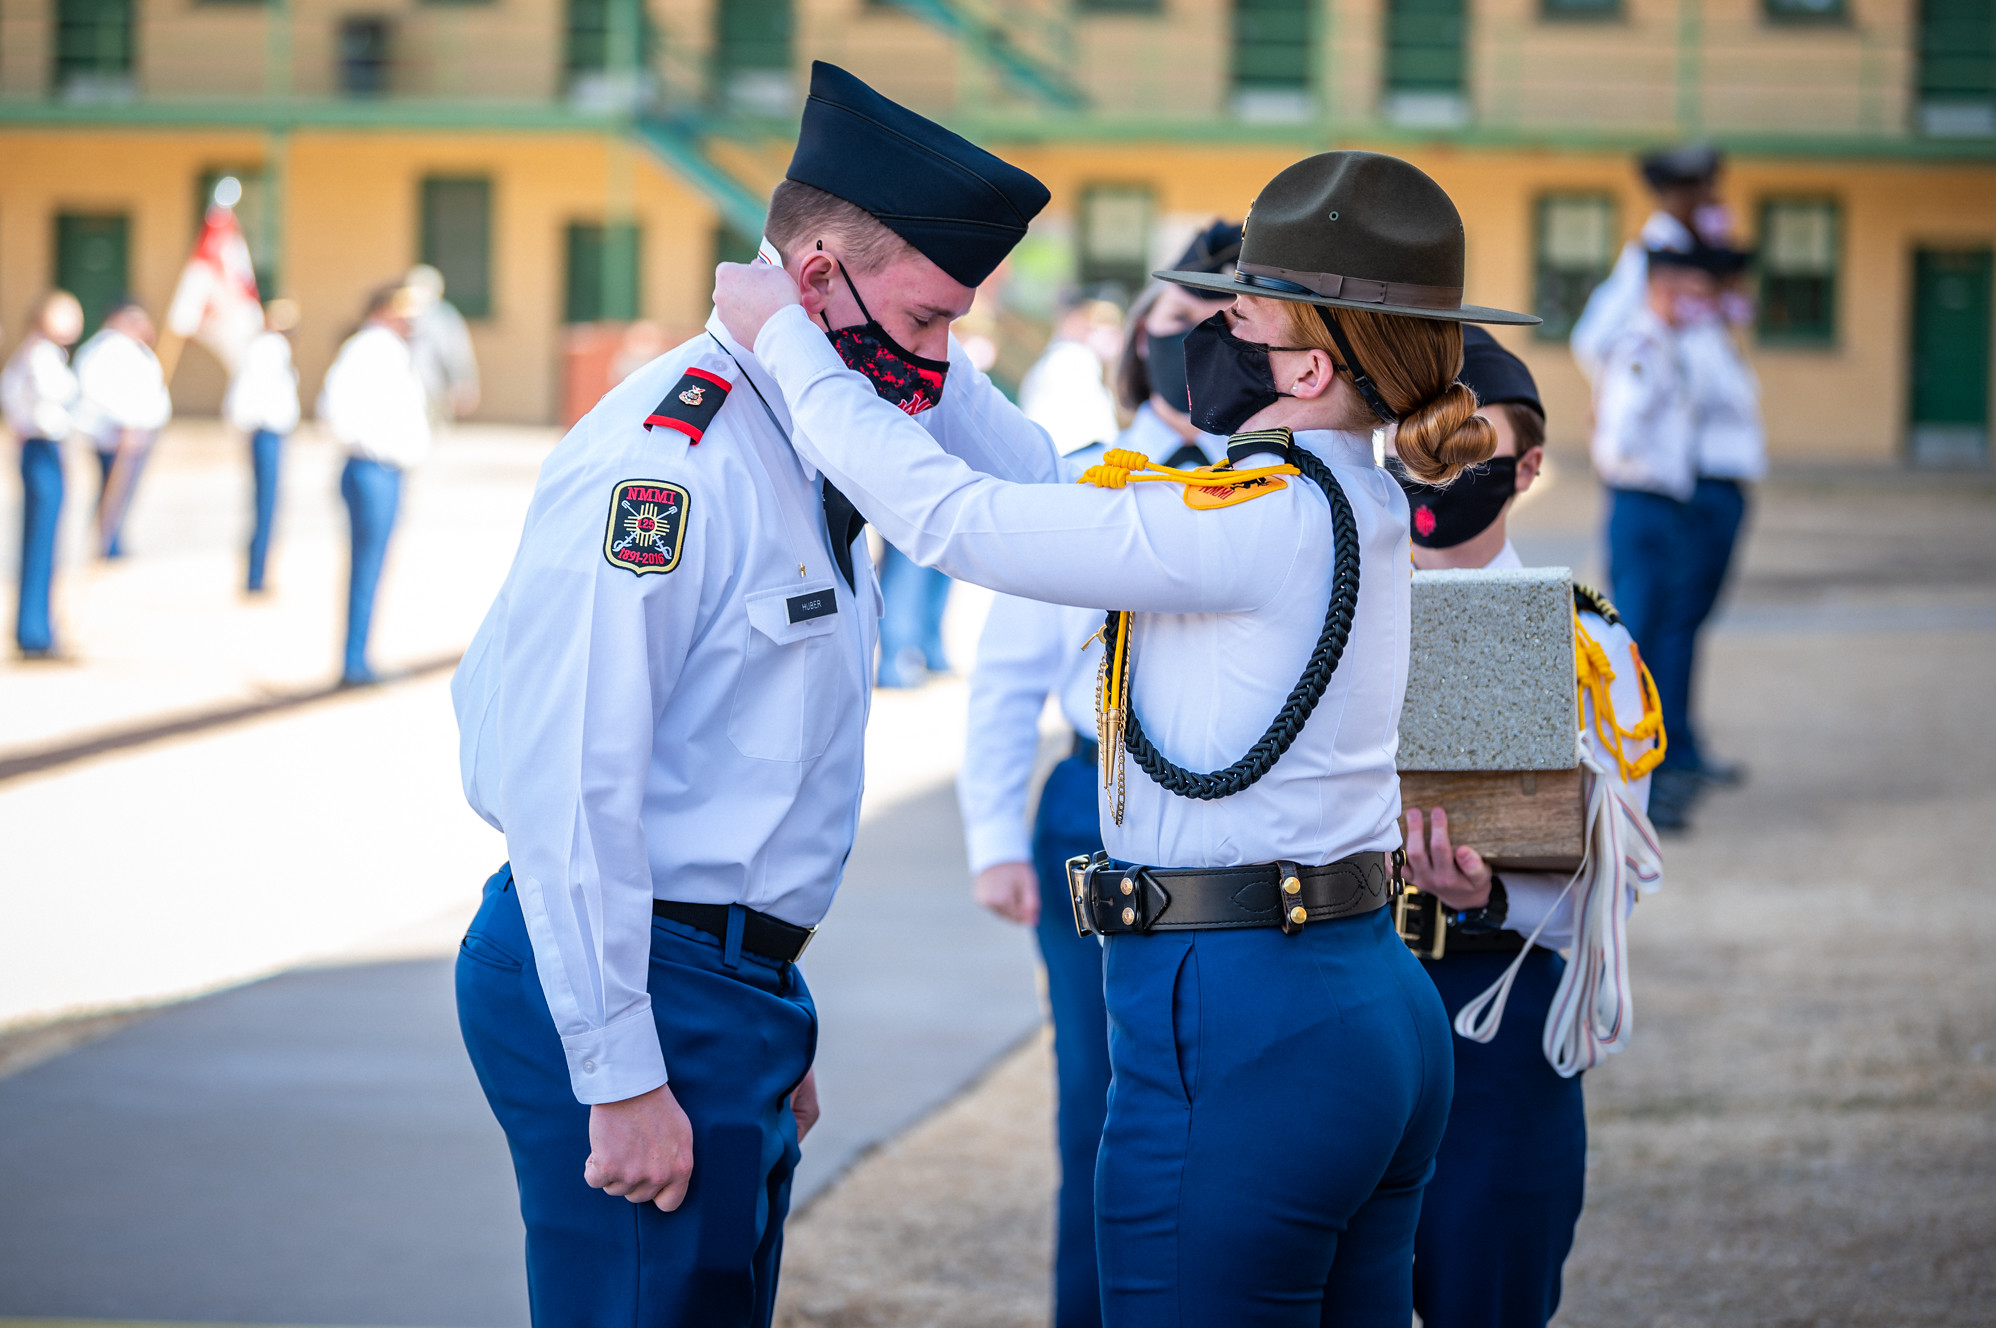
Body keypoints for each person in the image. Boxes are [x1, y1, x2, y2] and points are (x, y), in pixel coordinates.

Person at [719, 148, 1541, 1325]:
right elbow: (1058, 479)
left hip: (1246, 1010)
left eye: (1238, 310)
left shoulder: (1260, 516)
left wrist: (790, 347)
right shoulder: (1320, 492)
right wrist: (913, 346)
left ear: (1306, 362)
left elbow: (960, 522)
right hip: (1352, 991)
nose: (1206, 329)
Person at [450, 62, 1058, 1328]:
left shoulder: (817, 423)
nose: (940, 357)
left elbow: (1041, 490)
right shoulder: (668, 466)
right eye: (929, 318)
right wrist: (620, 1071)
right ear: (818, 277)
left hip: (728, 987)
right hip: (637, 972)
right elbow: (571, 782)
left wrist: (772, 1009)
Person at [954, 221, 1238, 1328]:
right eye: (1174, 323)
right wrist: (989, 837)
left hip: (1239, 828)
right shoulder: (1081, 481)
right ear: (1135, 342)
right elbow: (1005, 675)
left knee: (1233, 1107)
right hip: (1093, 809)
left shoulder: (1291, 496)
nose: (1194, 347)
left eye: (1223, 323)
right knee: (1104, 1100)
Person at [1392, 329, 1659, 1327]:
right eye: (1413, 441)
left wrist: (1491, 891)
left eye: (1468, 441)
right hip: (1335, 988)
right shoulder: (1318, 612)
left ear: (1528, 465)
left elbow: (1617, 879)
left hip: (1491, 1009)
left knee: (1483, 1292)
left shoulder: (1580, 639)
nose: (1435, 466)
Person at [1591, 242, 1755, 828]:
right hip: (1644, 503)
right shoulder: (1642, 345)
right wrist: (1634, 469)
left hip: (1662, 502)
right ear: (1659, 287)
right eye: (1684, 290)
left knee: (1657, 636)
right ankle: (1635, 781)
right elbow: (1621, 428)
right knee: (1637, 644)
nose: (1695, 302)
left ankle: (1652, 774)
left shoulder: (1661, 344)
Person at [318, 283, 430, 686]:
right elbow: (335, 407)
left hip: (384, 470)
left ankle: (360, 656)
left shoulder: (391, 349)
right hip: (372, 469)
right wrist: (370, 449)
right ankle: (354, 661)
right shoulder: (369, 347)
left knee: (375, 565)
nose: (411, 321)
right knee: (366, 566)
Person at [1569, 143, 1729, 382]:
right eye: (1703, 189)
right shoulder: (1654, 252)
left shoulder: (1695, 248)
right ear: (1677, 196)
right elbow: (1591, 339)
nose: (1713, 198)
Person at [3, 290, 84, 658]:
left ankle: (39, 628)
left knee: (48, 543)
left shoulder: (43, 354)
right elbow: (55, 396)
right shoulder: (40, 355)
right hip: (40, 448)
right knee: (40, 542)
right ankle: (34, 632)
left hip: (46, 448)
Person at [72, 296, 171, 559]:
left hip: (138, 434)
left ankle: (113, 540)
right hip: (116, 436)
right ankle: (107, 544)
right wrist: (126, 425)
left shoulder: (137, 348)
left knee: (125, 490)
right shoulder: (108, 348)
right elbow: (99, 393)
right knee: (112, 487)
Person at [224, 297, 301, 594]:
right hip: (266, 431)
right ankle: (256, 576)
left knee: (267, 504)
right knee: (266, 504)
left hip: (268, 432)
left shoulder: (265, 346)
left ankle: (258, 573)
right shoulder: (269, 348)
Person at [406, 263, 481, 423]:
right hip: (407, 384)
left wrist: (463, 382)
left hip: (436, 386)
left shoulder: (444, 316)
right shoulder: (402, 315)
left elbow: (457, 353)